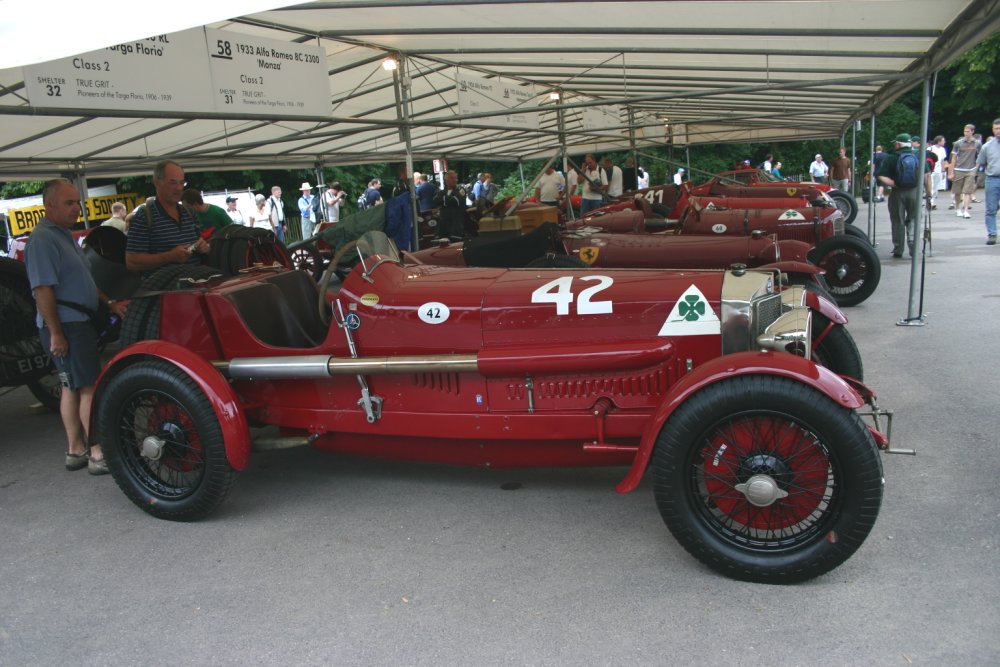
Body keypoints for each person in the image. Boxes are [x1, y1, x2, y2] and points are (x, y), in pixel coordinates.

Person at [24, 179, 127, 475]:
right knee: (88, 388)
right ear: (50, 206)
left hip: (73, 322)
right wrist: (56, 332)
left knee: (70, 386)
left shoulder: (63, 236)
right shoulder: (43, 239)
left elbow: (84, 280)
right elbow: (42, 290)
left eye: (76, 202)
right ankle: (96, 452)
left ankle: (75, 450)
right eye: (69, 203)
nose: (76, 208)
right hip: (67, 325)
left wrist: (108, 303)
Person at [126, 160, 209, 276]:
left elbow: (199, 243)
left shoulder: (189, 212)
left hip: (197, 281)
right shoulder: (144, 216)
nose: (179, 188)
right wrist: (169, 256)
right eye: (173, 182)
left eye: (182, 183)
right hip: (165, 287)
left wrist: (203, 247)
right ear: (157, 183)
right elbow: (131, 262)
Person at [877, 133, 930, 259]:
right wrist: (929, 193)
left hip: (897, 192)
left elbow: (881, 175)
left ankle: (898, 249)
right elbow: (927, 175)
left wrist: (894, 184)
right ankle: (913, 246)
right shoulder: (919, 156)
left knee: (897, 220)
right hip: (915, 191)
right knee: (913, 218)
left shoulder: (892, 158)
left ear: (898, 144)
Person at [976, 117, 1000, 246]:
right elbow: (981, 163)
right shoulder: (987, 146)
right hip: (993, 179)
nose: (998, 131)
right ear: (992, 130)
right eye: (996, 128)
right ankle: (992, 234)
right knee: (991, 209)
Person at [950, 124, 982, 219]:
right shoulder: (958, 143)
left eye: (968, 131)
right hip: (959, 169)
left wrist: (976, 167)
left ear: (972, 132)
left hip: (970, 170)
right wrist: (951, 172)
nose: (966, 133)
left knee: (967, 191)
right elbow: (953, 158)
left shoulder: (977, 143)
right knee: (957, 192)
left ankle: (966, 210)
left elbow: (980, 156)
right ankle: (957, 209)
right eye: (965, 131)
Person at [432, 170, 468, 239]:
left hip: (456, 225)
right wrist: (448, 200)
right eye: (452, 178)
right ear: (446, 180)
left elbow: (455, 201)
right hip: (443, 226)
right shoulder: (442, 192)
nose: (455, 180)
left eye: (456, 178)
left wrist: (443, 201)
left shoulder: (461, 190)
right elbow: (435, 200)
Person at [929, 136, 948, 209]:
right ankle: (931, 202)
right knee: (931, 186)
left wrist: (943, 170)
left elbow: (942, 160)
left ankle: (932, 201)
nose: (944, 142)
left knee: (935, 187)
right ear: (939, 141)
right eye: (943, 141)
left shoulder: (943, 149)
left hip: (938, 170)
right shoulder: (931, 148)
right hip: (931, 170)